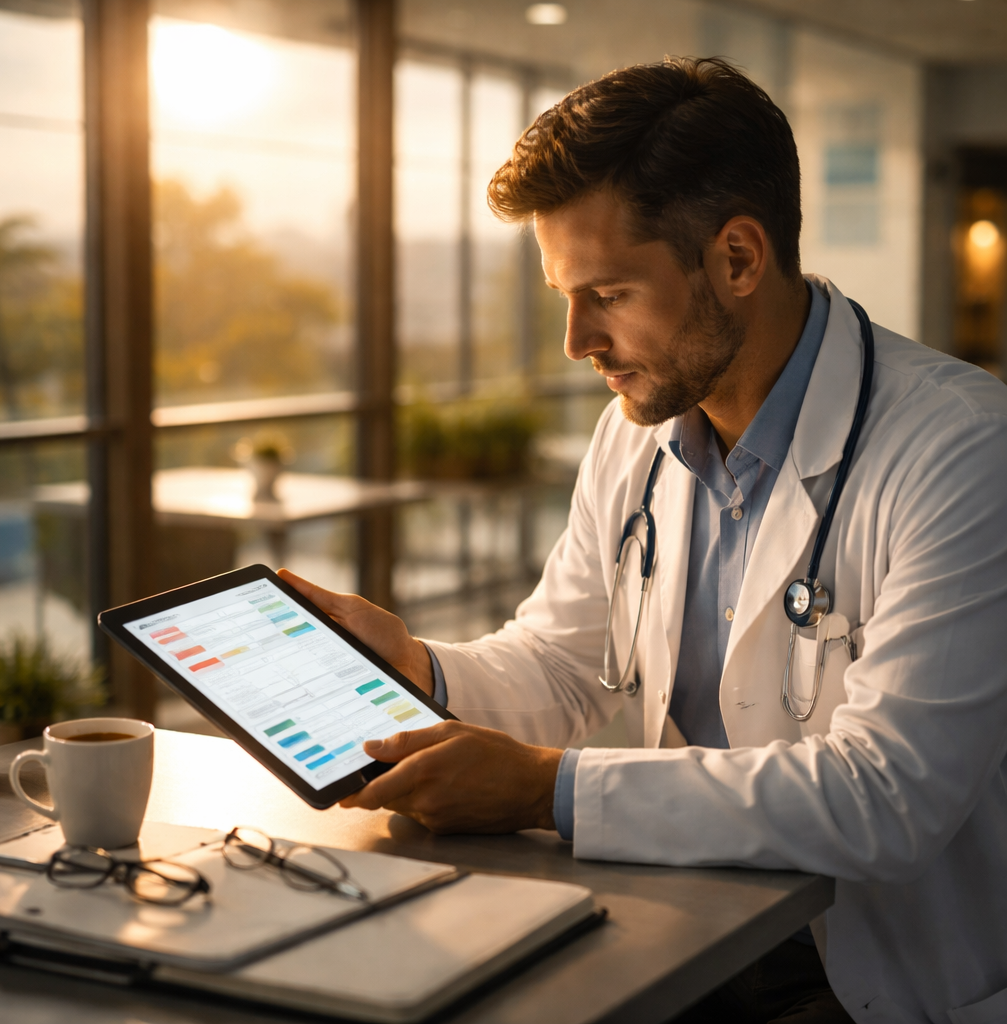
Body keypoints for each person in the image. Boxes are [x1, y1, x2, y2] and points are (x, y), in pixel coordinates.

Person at [280, 57, 1007, 1024]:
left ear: (738, 259)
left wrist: (550, 792)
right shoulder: (638, 435)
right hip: (690, 920)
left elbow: (888, 797)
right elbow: (561, 662)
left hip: (875, 974)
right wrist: (416, 664)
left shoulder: (961, 449)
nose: (577, 339)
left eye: (610, 293)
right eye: (564, 296)